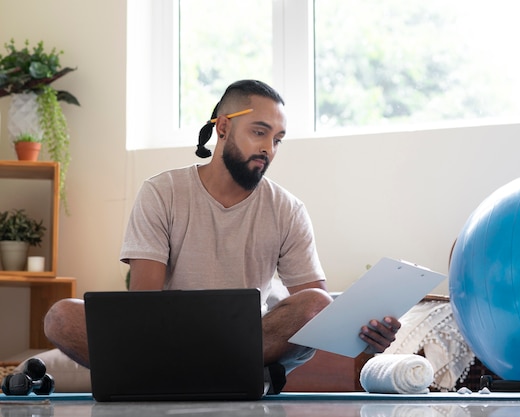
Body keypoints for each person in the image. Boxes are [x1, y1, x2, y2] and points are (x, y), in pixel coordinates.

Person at [44, 79, 400, 377]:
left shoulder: (287, 209)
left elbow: (318, 309)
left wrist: (364, 334)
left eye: (277, 139)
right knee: (61, 316)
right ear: (224, 127)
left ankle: (177, 377)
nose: (268, 148)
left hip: (246, 343)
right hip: (165, 340)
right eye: (259, 132)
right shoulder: (162, 192)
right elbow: (144, 305)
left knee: (316, 303)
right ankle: (194, 374)